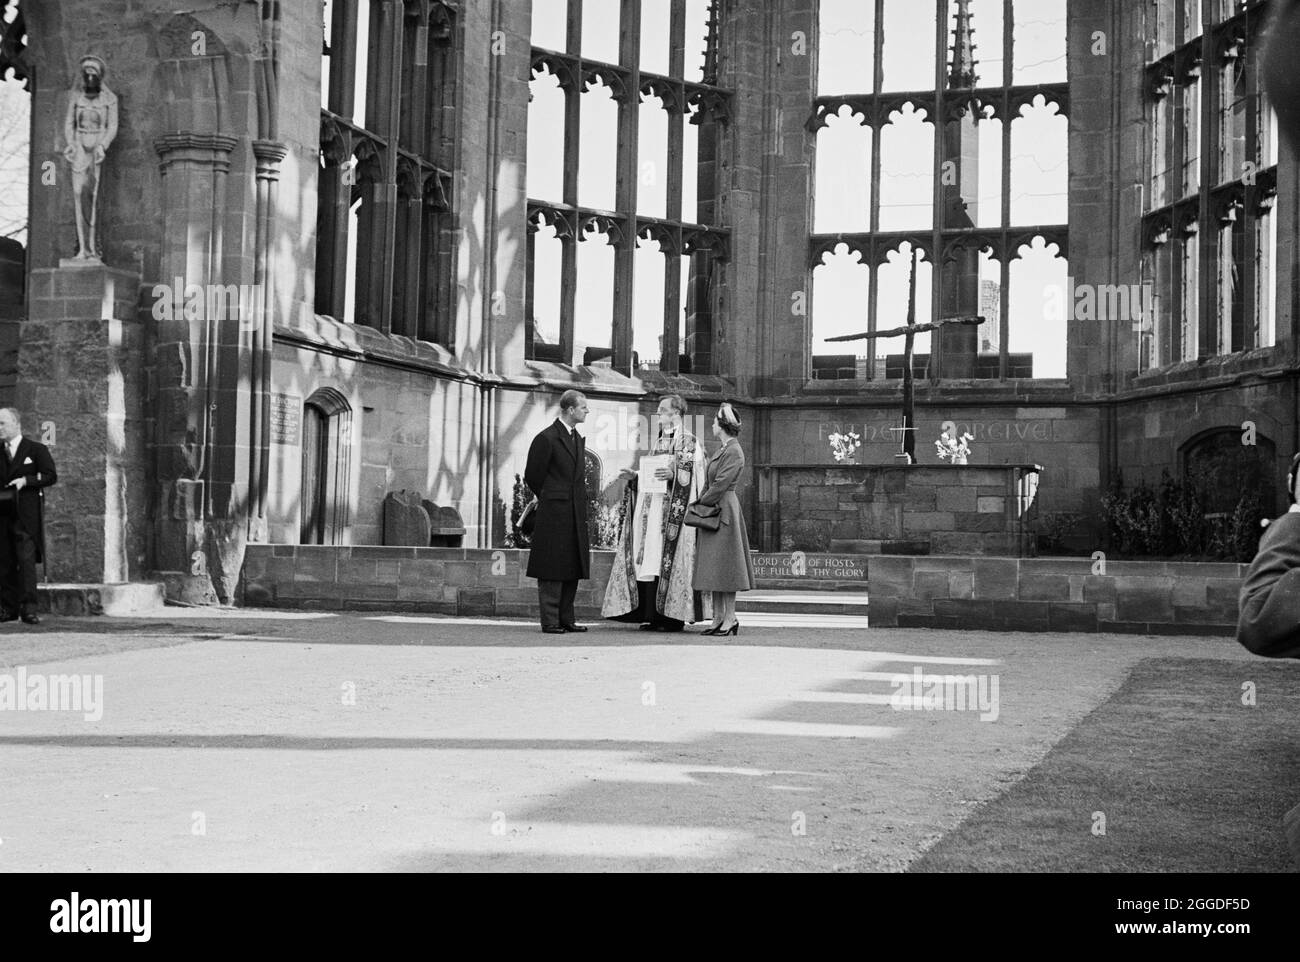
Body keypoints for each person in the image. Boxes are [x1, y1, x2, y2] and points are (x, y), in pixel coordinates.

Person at [603, 394, 711, 631]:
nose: (659, 415)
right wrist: (636, 476)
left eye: (663, 411)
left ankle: (673, 619)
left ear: (677, 414)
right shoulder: (659, 441)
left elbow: (698, 478)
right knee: (652, 561)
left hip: (676, 516)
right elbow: (653, 473)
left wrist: (676, 476)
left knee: (672, 562)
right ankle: (653, 615)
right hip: (653, 515)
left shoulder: (689, 442)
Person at [524, 390, 591, 634]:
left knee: (571, 565)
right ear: (570, 409)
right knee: (552, 566)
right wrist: (551, 496)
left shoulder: (575, 437)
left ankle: (566, 618)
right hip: (554, 512)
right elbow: (533, 475)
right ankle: (550, 620)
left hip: (573, 511)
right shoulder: (547, 438)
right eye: (583, 407)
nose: (587, 411)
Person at [692, 403, 755, 635]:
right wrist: (701, 500)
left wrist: (701, 503)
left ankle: (730, 618)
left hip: (724, 509)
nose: (711, 424)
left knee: (727, 568)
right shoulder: (723, 449)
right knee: (716, 568)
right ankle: (718, 617)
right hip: (715, 508)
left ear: (723, 425)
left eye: (714, 421)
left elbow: (720, 485)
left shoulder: (734, 450)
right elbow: (711, 483)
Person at [0, 408, 58, 625]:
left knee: (25, 562)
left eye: (2, 423)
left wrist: (27, 480)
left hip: (25, 515)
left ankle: (29, 608)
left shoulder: (35, 449)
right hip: (3, 513)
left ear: (16, 424)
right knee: (4, 561)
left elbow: (51, 475)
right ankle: (8, 608)